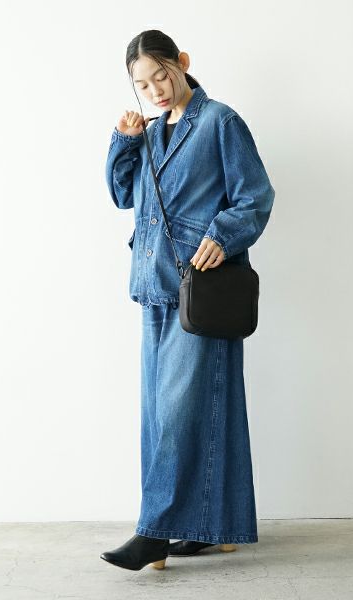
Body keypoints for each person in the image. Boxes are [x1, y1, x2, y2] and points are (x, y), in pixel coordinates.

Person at [101, 29, 275, 571]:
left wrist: (222, 236)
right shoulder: (151, 132)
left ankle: (155, 533)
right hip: (153, 285)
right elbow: (123, 195)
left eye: (161, 75)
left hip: (201, 287)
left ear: (182, 63)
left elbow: (255, 196)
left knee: (178, 413)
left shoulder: (220, 122)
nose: (155, 90)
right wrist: (123, 141)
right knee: (164, 415)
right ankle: (211, 528)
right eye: (142, 84)